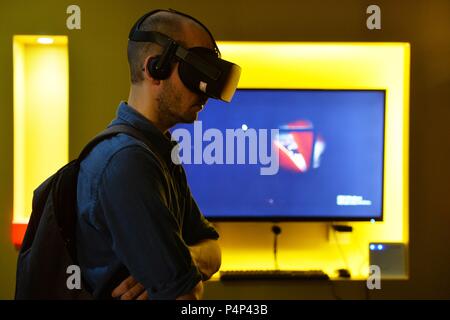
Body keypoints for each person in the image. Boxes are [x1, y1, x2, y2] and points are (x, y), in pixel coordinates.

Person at [76, 9, 225, 300]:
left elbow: (213, 249)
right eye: (196, 72)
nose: (205, 92)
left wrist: (185, 259)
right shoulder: (128, 161)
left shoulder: (159, 152)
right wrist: (188, 273)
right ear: (155, 68)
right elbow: (186, 296)